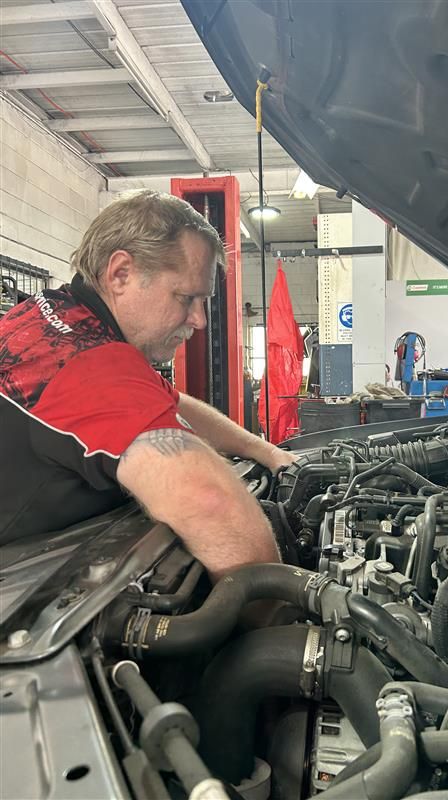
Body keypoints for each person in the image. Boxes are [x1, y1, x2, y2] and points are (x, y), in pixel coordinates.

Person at [0, 190, 296, 580]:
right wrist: (277, 611)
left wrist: (266, 452)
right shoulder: (86, 364)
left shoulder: (56, 317)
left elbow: (169, 402)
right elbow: (209, 503)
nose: (199, 320)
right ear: (121, 273)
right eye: (186, 297)